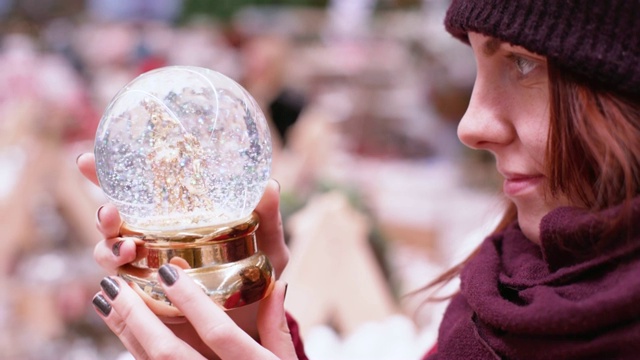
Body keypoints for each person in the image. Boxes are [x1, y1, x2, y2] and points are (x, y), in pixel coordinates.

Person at [77, 0, 640, 358]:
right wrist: (240, 322)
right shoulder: (509, 291)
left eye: (522, 63)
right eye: (477, 65)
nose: (470, 125)